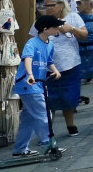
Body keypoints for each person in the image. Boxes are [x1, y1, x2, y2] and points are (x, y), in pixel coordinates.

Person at [33, 0, 87, 136]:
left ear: (61, 5)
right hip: (47, 67)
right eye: (46, 6)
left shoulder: (73, 17)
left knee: (69, 96)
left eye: (52, 5)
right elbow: (32, 41)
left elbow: (84, 35)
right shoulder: (41, 22)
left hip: (70, 63)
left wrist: (71, 29)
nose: (49, 8)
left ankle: (70, 124)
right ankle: (47, 129)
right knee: (48, 98)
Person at [11, 15, 64, 156]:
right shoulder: (32, 43)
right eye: (55, 27)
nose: (58, 28)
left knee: (29, 119)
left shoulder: (49, 44)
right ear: (46, 29)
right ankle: (49, 143)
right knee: (42, 113)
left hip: (38, 84)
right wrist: (30, 74)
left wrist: (55, 70)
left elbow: (48, 61)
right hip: (27, 84)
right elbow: (27, 58)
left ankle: (20, 149)